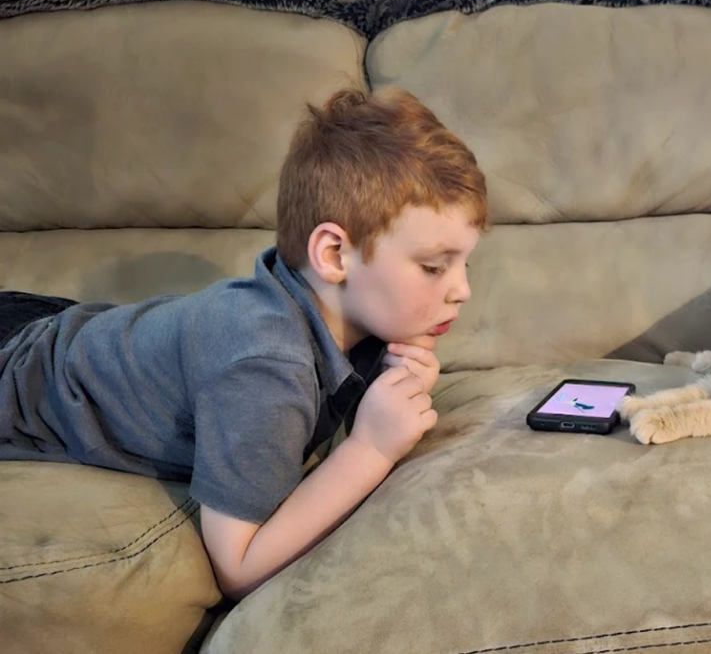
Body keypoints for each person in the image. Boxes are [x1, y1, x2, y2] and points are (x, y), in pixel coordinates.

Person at [0, 87, 488, 600]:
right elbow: (238, 567)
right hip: (16, 367)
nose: (462, 291)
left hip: (60, 325)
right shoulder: (266, 366)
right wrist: (371, 447)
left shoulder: (350, 320)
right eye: (435, 266)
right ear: (334, 255)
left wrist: (395, 380)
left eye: (465, 264)